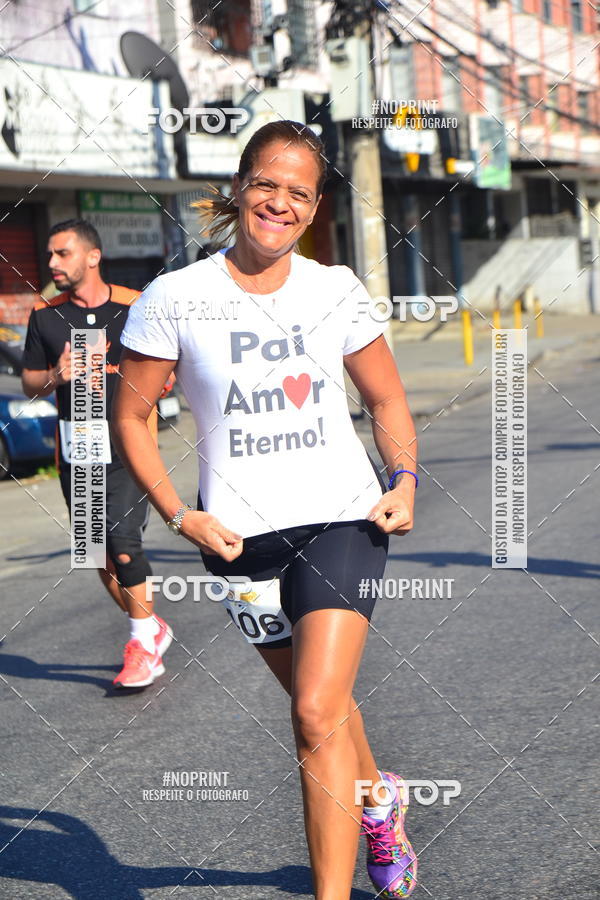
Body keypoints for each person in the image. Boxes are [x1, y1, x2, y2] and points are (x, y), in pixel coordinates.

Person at [113, 121, 419, 898]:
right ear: (240, 187)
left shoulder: (333, 289)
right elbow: (132, 417)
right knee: (325, 706)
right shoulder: (176, 297)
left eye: (299, 193)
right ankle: (378, 804)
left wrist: (404, 478)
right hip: (236, 541)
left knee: (313, 712)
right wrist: (179, 515)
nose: (280, 203)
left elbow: (386, 400)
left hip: (343, 519)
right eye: (267, 185)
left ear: (313, 208)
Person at [21, 219, 173, 689]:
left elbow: (171, 362)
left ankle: (142, 647)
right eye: (50, 254)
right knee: (96, 553)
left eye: (62, 253)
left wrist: (165, 379)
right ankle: (151, 627)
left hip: (128, 443)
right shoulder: (45, 315)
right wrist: (56, 375)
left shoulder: (136, 305)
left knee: (123, 542)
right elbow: (29, 383)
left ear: (92, 256)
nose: (51, 263)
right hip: (78, 448)